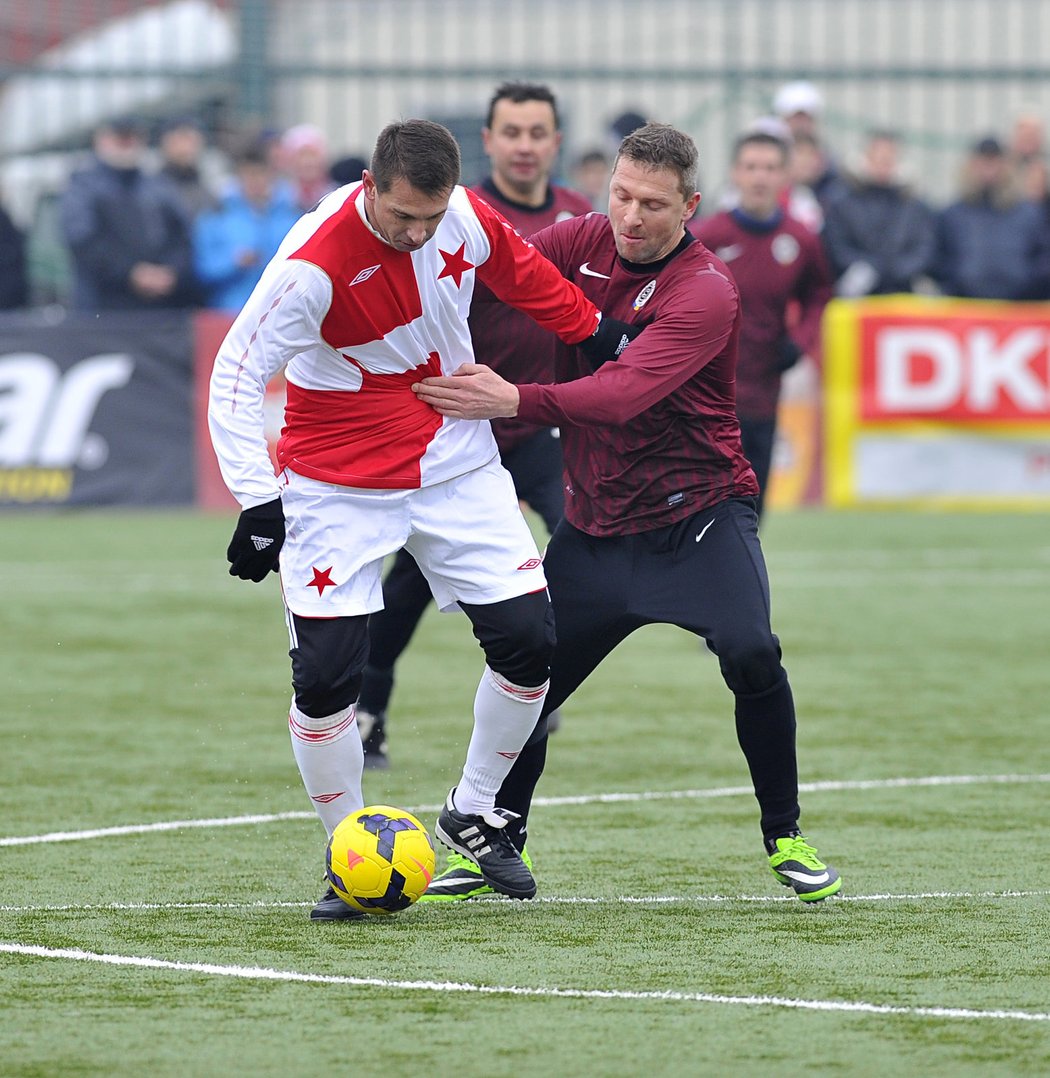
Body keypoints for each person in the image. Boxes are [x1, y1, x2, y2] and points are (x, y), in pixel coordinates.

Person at [207, 118, 634, 921]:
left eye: (430, 219)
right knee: (327, 676)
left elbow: (526, 275)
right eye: (403, 216)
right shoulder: (310, 268)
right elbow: (236, 373)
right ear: (370, 186)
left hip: (453, 459)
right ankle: (348, 857)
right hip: (335, 483)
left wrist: (603, 334)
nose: (418, 233)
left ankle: (474, 808)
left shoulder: (462, 215)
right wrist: (258, 501)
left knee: (532, 640)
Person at [414, 122, 841, 904]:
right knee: (528, 680)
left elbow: (619, 396)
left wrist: (515, 398)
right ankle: (495, 836)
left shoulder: (706, 289)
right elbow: (485, 268)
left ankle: (784, 833)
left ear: (690, 207)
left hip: (701, 519)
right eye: (621, 195)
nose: (631, 217)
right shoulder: (577, 237)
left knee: (751, 650)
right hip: (599, 526)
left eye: (652, 204)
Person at [356, 81, 594, 767]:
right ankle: (370, 710)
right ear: (487, 142)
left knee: (582, 546)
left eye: (537, 132)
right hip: (456, 431)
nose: (524, 145)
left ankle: (534, 691)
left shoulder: (581, 217)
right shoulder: (451, 211)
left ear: (554, 141)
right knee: (407, 580)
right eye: (511, 132)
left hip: (541, 423)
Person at [691, 130, 832, 516]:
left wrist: (800, 342)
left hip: (764, 397)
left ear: (785, 176)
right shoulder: (708, 237)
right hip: (706, 400)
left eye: (770, 168)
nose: (759, 177)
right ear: (735, 173)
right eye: (751, 167)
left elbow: (819, 295)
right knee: (706, 507)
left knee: (754, 507)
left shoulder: (800, 240)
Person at [60, 115, 199, 311]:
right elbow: (83, 241)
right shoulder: (83, 186)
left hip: (159, 309)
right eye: (120, 137)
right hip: (102, 308)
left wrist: (170, 272)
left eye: (132, 136)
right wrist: (131, 273)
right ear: (101, 140)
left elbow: (182, 236)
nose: (127, 143)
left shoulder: (158, 186)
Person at [932, 135, 1049, 301]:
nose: (988, 168)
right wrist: (958, 284)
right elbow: (939, 259)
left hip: (1018, 309)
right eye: (982, 161)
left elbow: (1043, 257)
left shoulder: (1029, 214)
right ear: (971, 166)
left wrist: (1028, 286)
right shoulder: (952, 214)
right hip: (966, 309)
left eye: (994, 161)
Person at [822, 129, 936, 297]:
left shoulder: (915, 206)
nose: (883, 165)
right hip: (856, 293)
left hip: (903, 292)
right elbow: (836, 245)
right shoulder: (841, 201)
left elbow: (925, 247)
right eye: (877, 158)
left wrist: (898, 270)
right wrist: (866, 268)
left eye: (888, 159)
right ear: (865, 159)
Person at [193, 142, 301, 311]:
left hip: (279, 314)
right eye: (249, 174)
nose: (256, 181)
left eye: (261, 174)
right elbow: (201, 269)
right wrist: (234, 262)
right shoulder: (216, 215)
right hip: (228, 314)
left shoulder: (294, 216)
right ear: (238, 176)